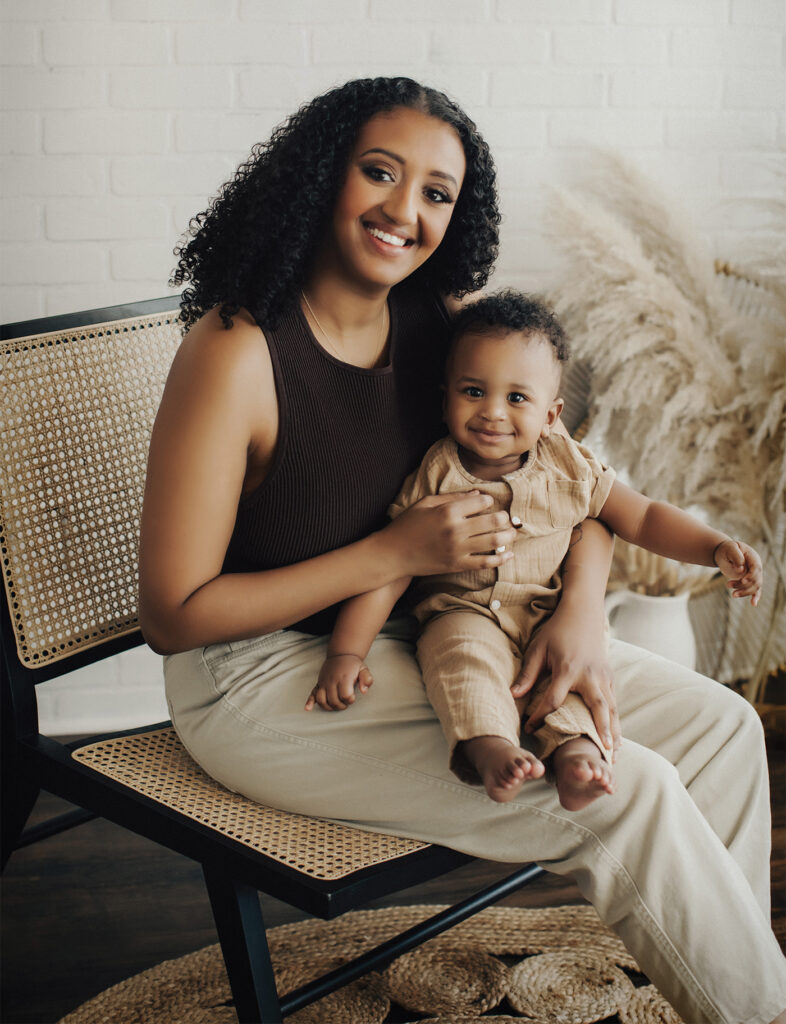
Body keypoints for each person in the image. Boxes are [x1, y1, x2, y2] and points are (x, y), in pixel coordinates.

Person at [137, 77, 786, 1023]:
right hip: (258, 680)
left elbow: (574, 481)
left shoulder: (440, 318)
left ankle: (717, 997)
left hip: (439, 624)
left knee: (725, 732)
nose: (406, 211)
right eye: (380, 173)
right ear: (322, 176)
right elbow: (173, 615)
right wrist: (391, 551)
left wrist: (579, 615)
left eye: (437, 192)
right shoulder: (235, 351)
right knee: (623, 791)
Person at [308, 290, 763, 814]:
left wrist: (714, 547)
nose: (493, 413)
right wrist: (347, 652)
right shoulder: (437, 473)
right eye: (473, 391)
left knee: (566, 689)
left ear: (552, 414)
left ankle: (577, 761)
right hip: (464, 613)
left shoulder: (569, 464)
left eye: (517, 399)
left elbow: (641, 516)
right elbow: (392, 569)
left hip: (547, 614)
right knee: (461, 664)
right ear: (445, 397)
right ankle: (492, 750)